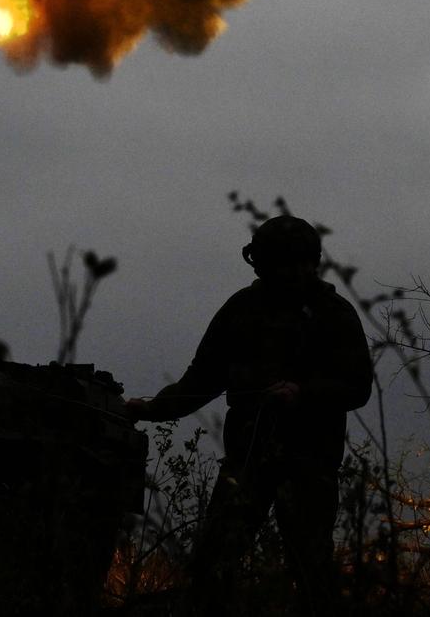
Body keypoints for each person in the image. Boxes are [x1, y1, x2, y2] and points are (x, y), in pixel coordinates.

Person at [126, 214, 372, 614]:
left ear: (311, 263)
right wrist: (152, 409)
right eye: (279, 263)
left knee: (311, 572)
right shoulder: (241, 310)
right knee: (212, 563)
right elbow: (201, 380)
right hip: (246, 462)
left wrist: (303, 394)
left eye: (296, 263)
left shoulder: (333, 313)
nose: (289, 272)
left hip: (309, 466)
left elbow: (357, 386)